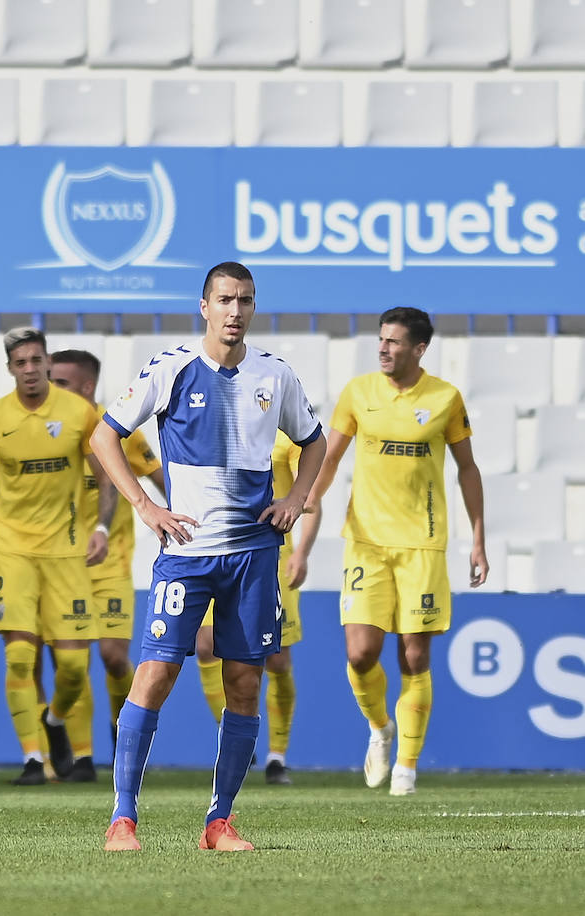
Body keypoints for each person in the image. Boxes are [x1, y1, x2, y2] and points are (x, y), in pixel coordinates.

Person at [94, 262, 325, 852]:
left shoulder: (275, 375)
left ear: (253, 307)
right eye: (224, 300)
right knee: (156, 673)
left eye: (245, 301)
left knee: (245, 683)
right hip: (189, 552)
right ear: (204, 306)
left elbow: (314, 440)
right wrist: (146, 506)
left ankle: (219, 822)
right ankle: (123, 819)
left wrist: (298, 498)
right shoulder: (171, 368)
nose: (234, 311)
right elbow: (103, 435)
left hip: (252, 554)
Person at [304, 307, 486, 797]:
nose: (383, 348)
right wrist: (309, 499)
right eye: (380, 340)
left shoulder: (445, 398)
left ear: (419, 349)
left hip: (423, 545)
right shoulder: (358, 393)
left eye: (394, 342)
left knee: (413, 653)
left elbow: (468, 469)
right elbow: (330, 455)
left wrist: (478, 539)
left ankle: (406, 766)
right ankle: (381, 727)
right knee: (361, 653)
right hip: (366, 541)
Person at [0, 327, 114, 786]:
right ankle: (31, 758)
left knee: (72, 666)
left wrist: (101, 527)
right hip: (12, 551)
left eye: (35, 361)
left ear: (47, 363)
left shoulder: (78, 413)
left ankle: (56, 720)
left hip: (66, 551)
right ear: (10, 369)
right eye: (19, 362)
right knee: (20, 657)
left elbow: (105, 478)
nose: (29, 369)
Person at [48, 349, 164, 779]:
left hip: (111, 563)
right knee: (70, 664)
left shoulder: (118, 430)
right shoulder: (49, 430)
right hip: (63, 565)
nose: (51, 389)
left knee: (115, 657)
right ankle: (79, 757)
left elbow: (160, 478)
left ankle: (124, 739)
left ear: (86, 388)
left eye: (60, 382)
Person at [195, 430, 322, 786]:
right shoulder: (217, 424)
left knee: (276, 658)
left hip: (269, 556)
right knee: (205, 645)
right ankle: (232, 734)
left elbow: (310, 496)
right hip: (217, 551)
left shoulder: (287, 437)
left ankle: (277, 757)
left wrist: (301, 553)